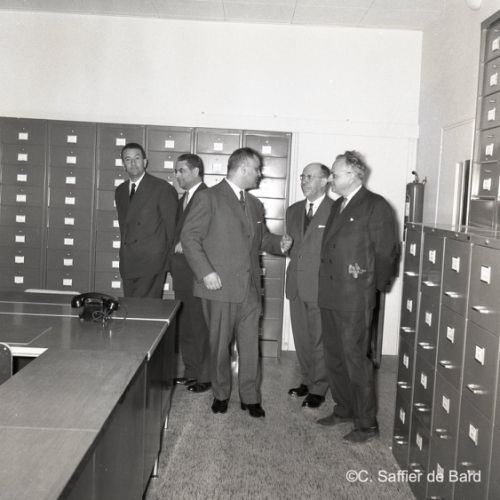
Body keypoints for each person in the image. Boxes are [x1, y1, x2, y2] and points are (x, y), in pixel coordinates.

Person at [181, 147, 292, 418]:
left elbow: (261, 239)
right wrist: (206, 272)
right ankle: (221, 394)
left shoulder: (254, 204)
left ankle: (250, 397)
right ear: (242, 168)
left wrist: (279, 243)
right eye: (256, 169)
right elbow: (189, 238)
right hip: (219, 287)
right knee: (220, 346)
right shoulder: (209, 198)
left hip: (250, 289)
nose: (259, 174)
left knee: (250, 347)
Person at [317, 150, 399, 443]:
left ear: (352, 175)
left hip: (354, 296)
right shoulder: (339, 205)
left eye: (335, 174)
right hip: (330, 293)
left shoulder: (375, 205)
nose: (330, 179)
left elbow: (387, 251)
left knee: (355, 359)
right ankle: (344, 409)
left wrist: (373, 286)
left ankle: (366, 424)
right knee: (335, 356)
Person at [285, 163, 332, 409]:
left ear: (325, 181)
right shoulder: (293, 211)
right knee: (302, 338)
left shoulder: (335, 210)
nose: (304, 181)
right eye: (302, 176)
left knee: (319, 339)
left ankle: (319, 387)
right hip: (296, 284)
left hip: (320, 286)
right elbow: (293, 248)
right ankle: (306, 379)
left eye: (310, 177)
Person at [115, 142, 178, 298]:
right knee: (130, 307)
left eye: (137, 158)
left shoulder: (161, 188)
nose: (133, 163)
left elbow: (172, 229)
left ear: (145, 161)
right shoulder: (120, 191)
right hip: (128, 262)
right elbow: (125, 228)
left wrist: (169, 262)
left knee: (145, 308)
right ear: (123, 165)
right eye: (128, 159)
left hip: (152, 263)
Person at [171, 154, 211, 392]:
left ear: (196, 172)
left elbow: (211, 233)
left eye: (182, 171)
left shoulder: (207, 197)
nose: (177, 175)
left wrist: (187, 244)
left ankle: (205, 376)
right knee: (186, 324)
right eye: (176, 171)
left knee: (200, 325)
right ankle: (190, 372)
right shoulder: (184, 198)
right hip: (182, 273)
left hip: (197, 273)